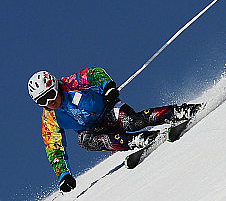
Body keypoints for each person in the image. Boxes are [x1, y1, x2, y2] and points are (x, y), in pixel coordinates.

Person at [27, 68, 202, 192]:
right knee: (84, 141)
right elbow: (54, 148)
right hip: (94, 129)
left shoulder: (70, 84)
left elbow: (93, 73)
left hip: (108, 110)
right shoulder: (50, 118)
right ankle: (140, 140)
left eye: (50, 95)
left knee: (131, 122)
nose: (50, 102)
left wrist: (107, 87)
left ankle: (179, 112)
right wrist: (64, 175)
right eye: (43, 101)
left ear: (56, 86)